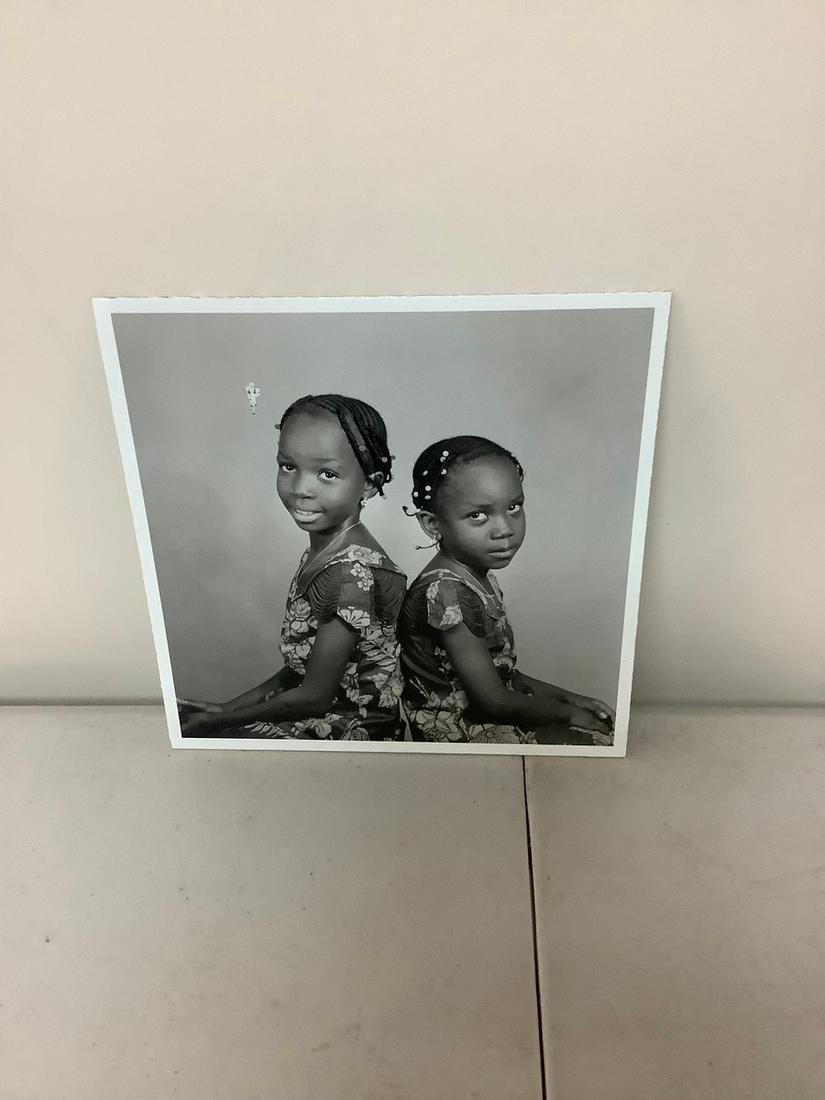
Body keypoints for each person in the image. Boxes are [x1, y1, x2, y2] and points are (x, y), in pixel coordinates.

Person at [179, 394, 406, 741]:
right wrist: (227, 709)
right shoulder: (328, 552)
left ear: (371, 484)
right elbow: (301, 671)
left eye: (327, 474)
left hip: (349, 730)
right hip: (317, 715)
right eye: (288, 466)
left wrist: (216, 725)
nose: (301, 489)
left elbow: (314, 697)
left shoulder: (349, 573)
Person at [398, 435, 615, 746]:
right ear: (432, 524)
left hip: (493, 719)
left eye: (513, 507)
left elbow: (502, 674)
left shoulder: (475, 577)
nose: (505, 529)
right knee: (601, 741)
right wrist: (566, 714)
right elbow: (492, 702)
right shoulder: (446, 591)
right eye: (478, 515)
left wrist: (570, 699)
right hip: (467, 736)